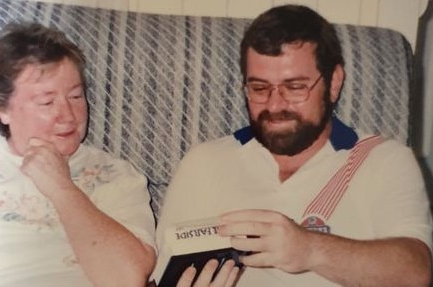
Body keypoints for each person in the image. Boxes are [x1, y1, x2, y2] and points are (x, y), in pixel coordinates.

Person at [154, 5, 433, 286]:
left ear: (334, 83)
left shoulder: (384, 161)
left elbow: (417, 272)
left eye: (295, 87)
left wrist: (309, 249)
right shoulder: (204, 162)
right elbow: (159, 275)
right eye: (260, 88)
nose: (275, 105)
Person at [0, 22, 156, 286]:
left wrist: (61, 188)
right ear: (2, 108)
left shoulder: (116, 176)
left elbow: (126, 278)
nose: (67, 116)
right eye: (47, 102)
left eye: (76, 96)